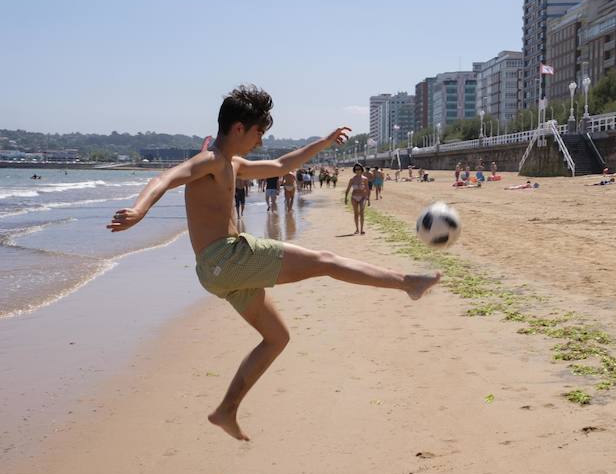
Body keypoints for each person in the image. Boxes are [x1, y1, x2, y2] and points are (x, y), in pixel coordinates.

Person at [106, 85, 440, 441]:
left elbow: (283, 165)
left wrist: (323, 142)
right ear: (239, 128)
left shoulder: (231, 163)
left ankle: (226, 410)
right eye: (258, 133)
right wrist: (140, 210)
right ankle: (407, 282)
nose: (260, 142)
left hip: (215, 271)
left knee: (276, 338)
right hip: (227, 258)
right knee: (325, 260)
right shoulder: (211, 161)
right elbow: (165, 178)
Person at [344, 163, 370, 234]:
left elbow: (367, 189)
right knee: (356, 213)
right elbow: (348, 189)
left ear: (361, 169)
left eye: (359, 169)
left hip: (363, 197)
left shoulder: (365, 179)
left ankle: (362, 229)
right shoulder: (352, 179)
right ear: (354, 170)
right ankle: (357, 229)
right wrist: (345, 198)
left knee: (361, 212)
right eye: (356, 169)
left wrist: (369, 199)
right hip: (354, 197)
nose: (357, 170)